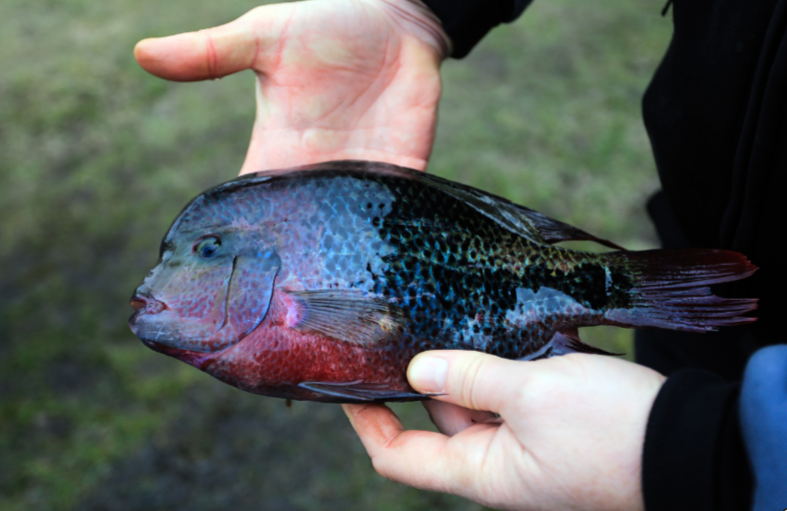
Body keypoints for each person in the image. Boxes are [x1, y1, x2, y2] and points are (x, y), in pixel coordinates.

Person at [133, 1, 787, 509]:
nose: (160, 283)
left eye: (203, 251)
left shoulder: (295, 303)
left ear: (249, 262)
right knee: (696, 337)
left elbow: (362, 326)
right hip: (699, 233)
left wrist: (708, 461)